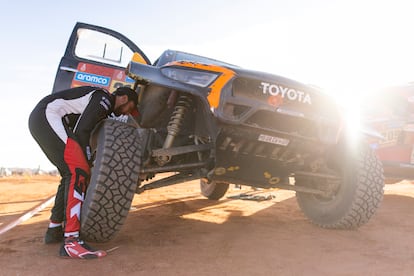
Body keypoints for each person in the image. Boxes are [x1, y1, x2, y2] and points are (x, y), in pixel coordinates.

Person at [28, 85, 138, 259]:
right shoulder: (105, 99)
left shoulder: (103, 104)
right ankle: (71, 241)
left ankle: (54, 229)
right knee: (78, 170)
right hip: (48, 115)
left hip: (41, 118)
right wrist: (86, 160)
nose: (126, 112)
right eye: (130, 107)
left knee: (69, 173)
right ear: (124, 98)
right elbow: (82, 131)